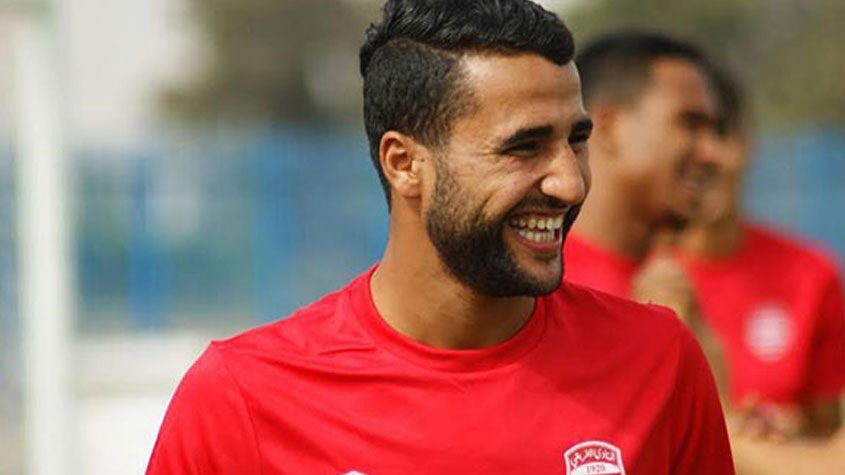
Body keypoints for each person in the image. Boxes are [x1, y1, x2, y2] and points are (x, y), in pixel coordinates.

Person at [146, 2, 734, 473]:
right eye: (524, 147)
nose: (569, 182)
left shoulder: (658, 360)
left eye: (576, 140)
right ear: (404, 163)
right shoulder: (242, 400)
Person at [675, 64, 845, 440]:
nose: (706, 157)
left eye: (720, 133)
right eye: (689, 137)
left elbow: (828, 435)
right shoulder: (629, 277)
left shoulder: (811, 273)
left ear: (748, 143)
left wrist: (787, 435)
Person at [563, 31, 722, 298]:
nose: (713, 153)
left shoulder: (687, 289)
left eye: (715, 131)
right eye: (690, 124)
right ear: (609, 127)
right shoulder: (525, 291)